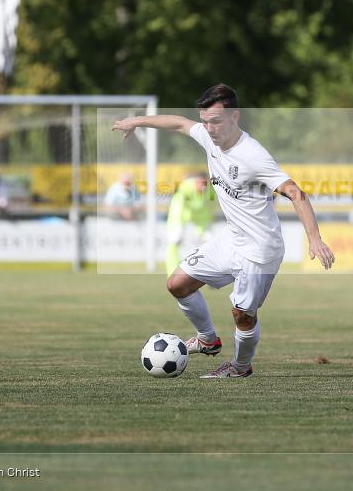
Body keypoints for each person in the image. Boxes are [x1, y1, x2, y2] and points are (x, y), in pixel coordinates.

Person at [113, 84, 335, 378]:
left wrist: (315, 238)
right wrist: (136, 121)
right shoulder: (207, 136)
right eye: (206, 121)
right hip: (233, 239)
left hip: (260, 249)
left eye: (216, 122)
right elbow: (179, 123)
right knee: (177, 284)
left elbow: (295, 191)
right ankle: (207, 339)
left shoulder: (253, 155)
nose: (210, 129)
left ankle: (241, 367)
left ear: (235, 117)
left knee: (242, 315)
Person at [166, 173, 216, 275]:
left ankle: (212, 272)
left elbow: (212, 205)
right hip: (181, 215)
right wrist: (178, 226)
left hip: (202, 218)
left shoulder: (211, 190)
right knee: (175, 240)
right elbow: (180, 204)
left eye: (204, 183)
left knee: (211, 242)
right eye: (199, 183)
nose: (202, 186)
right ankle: (172, 273)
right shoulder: (186, 187)